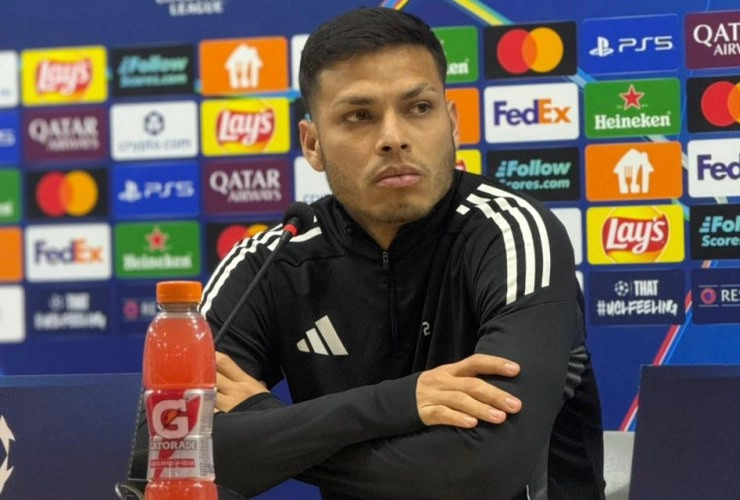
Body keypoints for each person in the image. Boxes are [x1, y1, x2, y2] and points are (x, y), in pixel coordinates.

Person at [131, 7, 604, 500]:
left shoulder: (513, 233)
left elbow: (483, 473)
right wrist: (400, 401)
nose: (394, 138)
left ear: (452, 122)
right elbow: (157, 453)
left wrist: (263, 421)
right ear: (312, 143)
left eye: (419, 108)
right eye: (359, 116)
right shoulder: (274, 262)